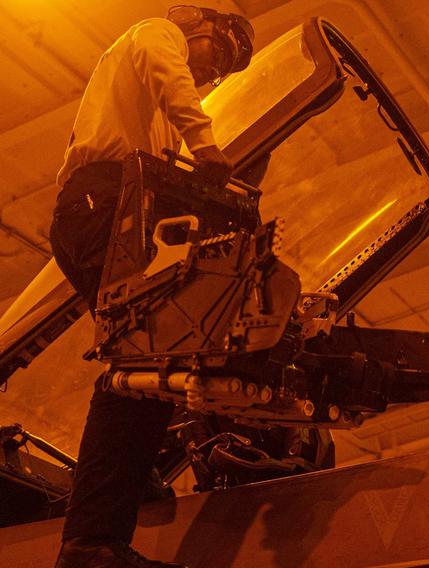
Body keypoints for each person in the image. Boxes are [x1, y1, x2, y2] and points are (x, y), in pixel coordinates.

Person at [50, 6, 254, 567]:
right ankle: (91, 541)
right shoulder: (155, 37)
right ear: (200, 27)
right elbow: (174, 78)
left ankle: (131, 477)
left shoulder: (149, 117)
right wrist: (208, 149)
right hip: (101, 204)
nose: (215, 75)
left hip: (97, 209)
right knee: (148, 357)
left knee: (155, 358)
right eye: (223, 57)